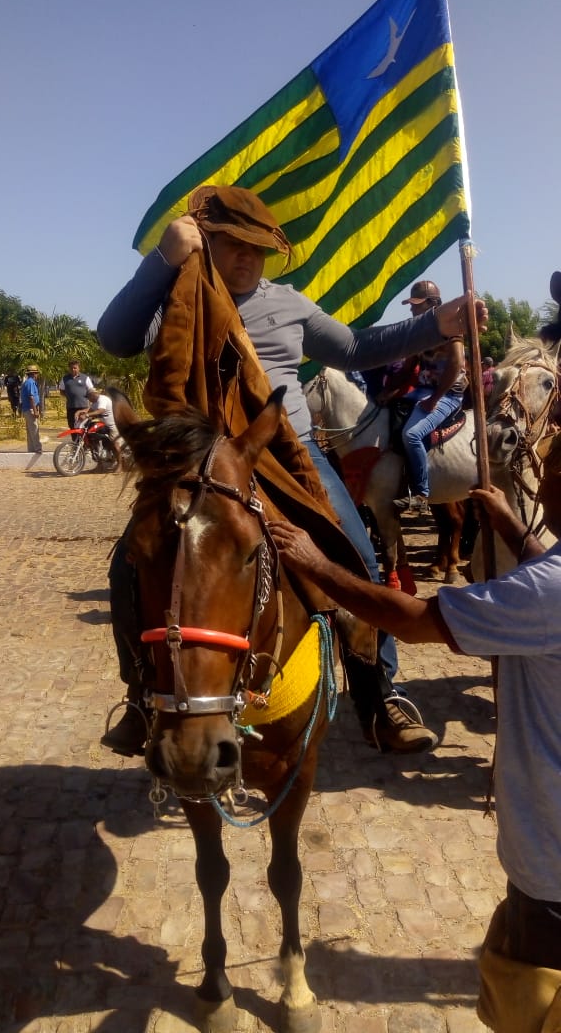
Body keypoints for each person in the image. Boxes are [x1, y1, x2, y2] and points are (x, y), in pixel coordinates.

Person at [97, 184, 488, 757]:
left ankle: (381, 693)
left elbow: (354, 348)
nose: (248, 258)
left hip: (288, 453)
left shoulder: (290, 303)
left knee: (357, 555)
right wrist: (162, 261)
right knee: (129, 564)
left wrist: (440, 326)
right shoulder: (172, 293)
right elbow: (114, 338)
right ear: (207, 242)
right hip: (197, 460)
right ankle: (139, 696)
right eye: (234, 245)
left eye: (257, 248)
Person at [269, 431, 561, 1030]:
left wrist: (318, 564)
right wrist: (511, 528)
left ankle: (383, 698)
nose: (540, 471)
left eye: (550, 465)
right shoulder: (548, 584)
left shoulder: (547, 593)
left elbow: (415, 618)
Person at [391, 280, 468, 514]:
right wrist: (388, 392)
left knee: (412, 434)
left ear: (432, 304)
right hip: (422, 391)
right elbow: (408, 368)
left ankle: (422, 495)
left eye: (417, 304)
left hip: (448, 394)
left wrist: (435, 399)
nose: (412, 309)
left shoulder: (451, 329)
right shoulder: (418, 332)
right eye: (412, 305)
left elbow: (456, 365)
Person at [59, 360, 93, 429]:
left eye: (75, 368)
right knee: (72, 425)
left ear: (79, 368)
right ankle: (75, 440)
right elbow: (62, 391)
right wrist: (69, 396)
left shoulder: (85, 378)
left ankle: (83, 439)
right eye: (71, 368)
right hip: (71, 407)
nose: (73, 370)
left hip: (83, 407)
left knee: (84, 426)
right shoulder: (65, 379)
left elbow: (91, 391)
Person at [20, 365, 42, 453]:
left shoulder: (30, 382)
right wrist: (35, 411)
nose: (37, 375)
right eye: (36, 373)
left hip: (28, 409)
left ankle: (31, 449)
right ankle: (37, 448)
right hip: (30, 409)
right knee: (34, 429)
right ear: (33, 374)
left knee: (30, 431)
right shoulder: (30, 383)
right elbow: (31, 397)